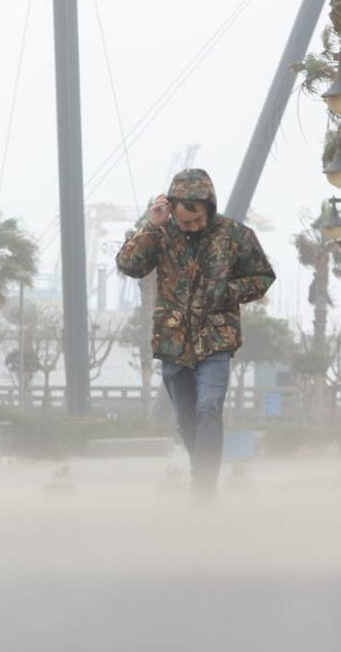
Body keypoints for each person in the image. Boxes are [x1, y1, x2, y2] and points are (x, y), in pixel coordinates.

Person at [115, 169, 275, 500]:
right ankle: (199, 469)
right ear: (171, 210)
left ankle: (204, 487)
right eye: (185, 221)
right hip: (173, 343)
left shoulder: (235, 235)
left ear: (209, 208)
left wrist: (227, 291)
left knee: (209, 407)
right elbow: (129, 265)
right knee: (186, 420)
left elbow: (262, 276)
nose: (192, 227)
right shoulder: (160, 233)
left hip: (216, 341)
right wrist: (152, 225)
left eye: (197, 219)